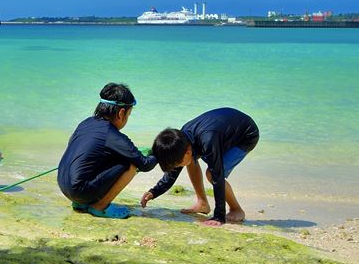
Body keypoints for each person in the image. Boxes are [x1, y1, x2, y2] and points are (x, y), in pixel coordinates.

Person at [140, 107, 259, 226]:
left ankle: (236, 209)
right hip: (222, 129)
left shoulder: (208, 141)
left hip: (246, 134)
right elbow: (172, 173)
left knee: (211, 174)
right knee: (190, 161)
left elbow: (218, 175)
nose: (175, 169)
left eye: (176, 165)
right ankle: (202, 203)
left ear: (187, 152)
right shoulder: (181, 140)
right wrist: (154, 192)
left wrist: (218, 216)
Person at [57, 83, 157, 219]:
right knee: (131, 165)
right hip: (79, 191)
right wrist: (159, 152)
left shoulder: (86, 123)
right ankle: (100, 206)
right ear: (121, 113)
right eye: (129, 114)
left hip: (64, 186)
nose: (127, 118)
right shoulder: (111, 135)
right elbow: (145, 164)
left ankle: (80, 204)